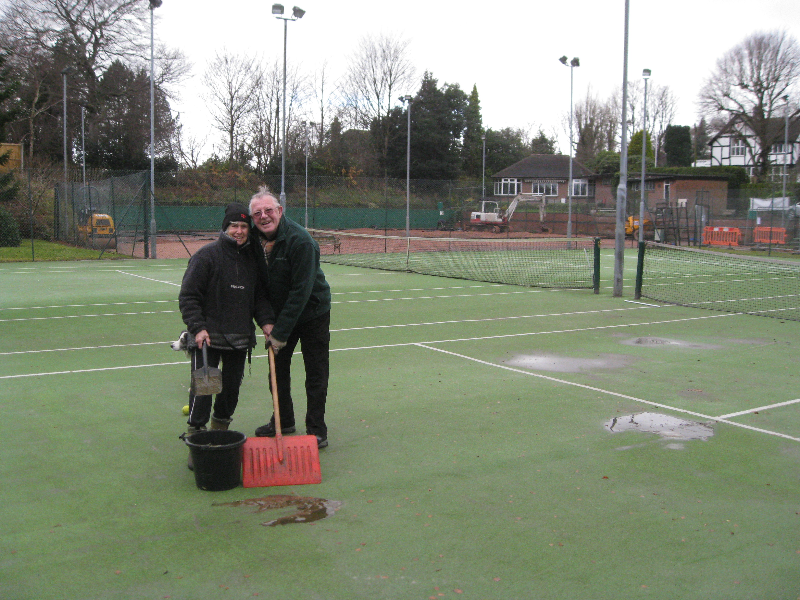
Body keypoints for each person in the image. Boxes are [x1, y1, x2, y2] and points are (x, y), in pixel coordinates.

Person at [179, 202, 273, 469]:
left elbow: (259, 299)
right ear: (225, 228)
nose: (239, 231)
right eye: (235, 226)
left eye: (244, 226)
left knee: (229, 393)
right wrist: (198, 328)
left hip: (239, 338)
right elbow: (188, 296)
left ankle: (218, 436)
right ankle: (196, 442)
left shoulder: (252, 260)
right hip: (207, 339)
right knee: (204, 392)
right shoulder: (206, 256)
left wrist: (266, 322)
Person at [249, 187, 332, 449]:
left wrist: (280, 333)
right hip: (278, 313)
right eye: (257, 213)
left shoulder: (301, 241)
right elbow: (256, 285)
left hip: (312, 311)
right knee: (277, 372)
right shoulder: (252, 239)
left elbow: (301, 292)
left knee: (315, 371)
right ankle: (283, 420)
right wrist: (266, 322)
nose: (264, 216)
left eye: (269, 210)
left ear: (280, 211)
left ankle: (316, 429)